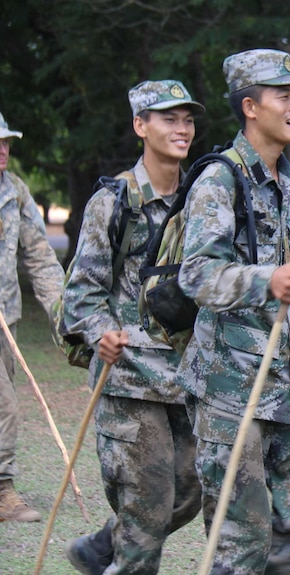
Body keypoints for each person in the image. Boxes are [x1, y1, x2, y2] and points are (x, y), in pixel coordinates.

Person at [175, 49, 290, 573]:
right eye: (283, 95)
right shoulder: (218, 180)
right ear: (250, 106)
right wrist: (265, 280)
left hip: (286, 384)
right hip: (230, 388)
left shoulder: (288, 182)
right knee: (238, 539)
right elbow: (196, 274)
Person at [61, 80, 206, 574]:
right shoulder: (115, 201)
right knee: (146, 513)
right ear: (140, 126)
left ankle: (103, 546)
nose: (182, 128)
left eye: (187, 119)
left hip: (188, 379)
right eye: (169, 118)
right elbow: (81, 292)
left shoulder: (202, 200)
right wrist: (100, 330)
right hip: (129, 379)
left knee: (192, 491)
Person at [0, 111, 64, 523]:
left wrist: (64, 314)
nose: (4, 150)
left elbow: (40, 258)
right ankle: (3, 490)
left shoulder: (17, 191)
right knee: (3, 404)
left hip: (7, 318)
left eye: (6, 142)